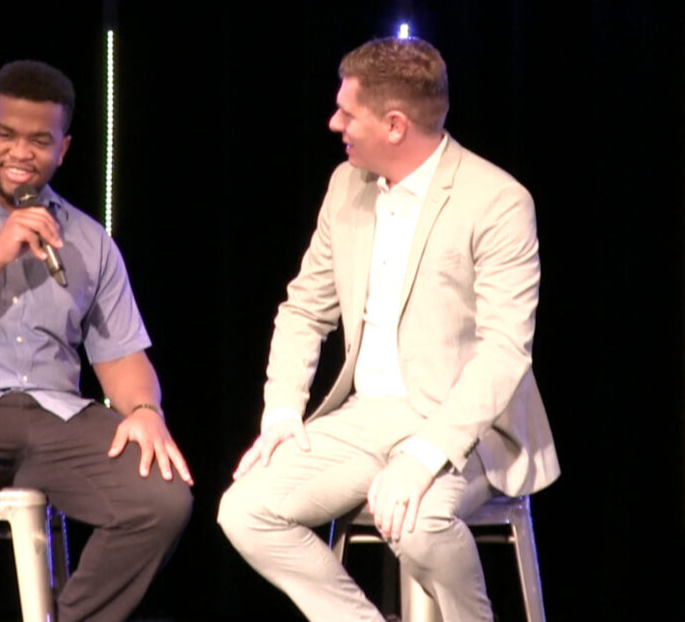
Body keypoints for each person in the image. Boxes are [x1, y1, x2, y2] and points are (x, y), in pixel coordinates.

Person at [218, 37, 559, 621]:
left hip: (464, 423)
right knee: (245, 510)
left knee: (419, 525)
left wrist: (424, 455)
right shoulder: (345, 187)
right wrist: (282, 410)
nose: (335, 124)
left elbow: (504, 352)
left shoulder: (498, 201)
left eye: (347, 113)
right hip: (365, 418)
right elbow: (304, 309)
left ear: (395, 125)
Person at [0, 60, 193, 622]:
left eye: (40, 141)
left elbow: (123, 358)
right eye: (6, 134)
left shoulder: (88, 240)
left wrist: (145, 411)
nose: (20, 152)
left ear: (63, 149)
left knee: (160, 498)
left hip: (53, 415)